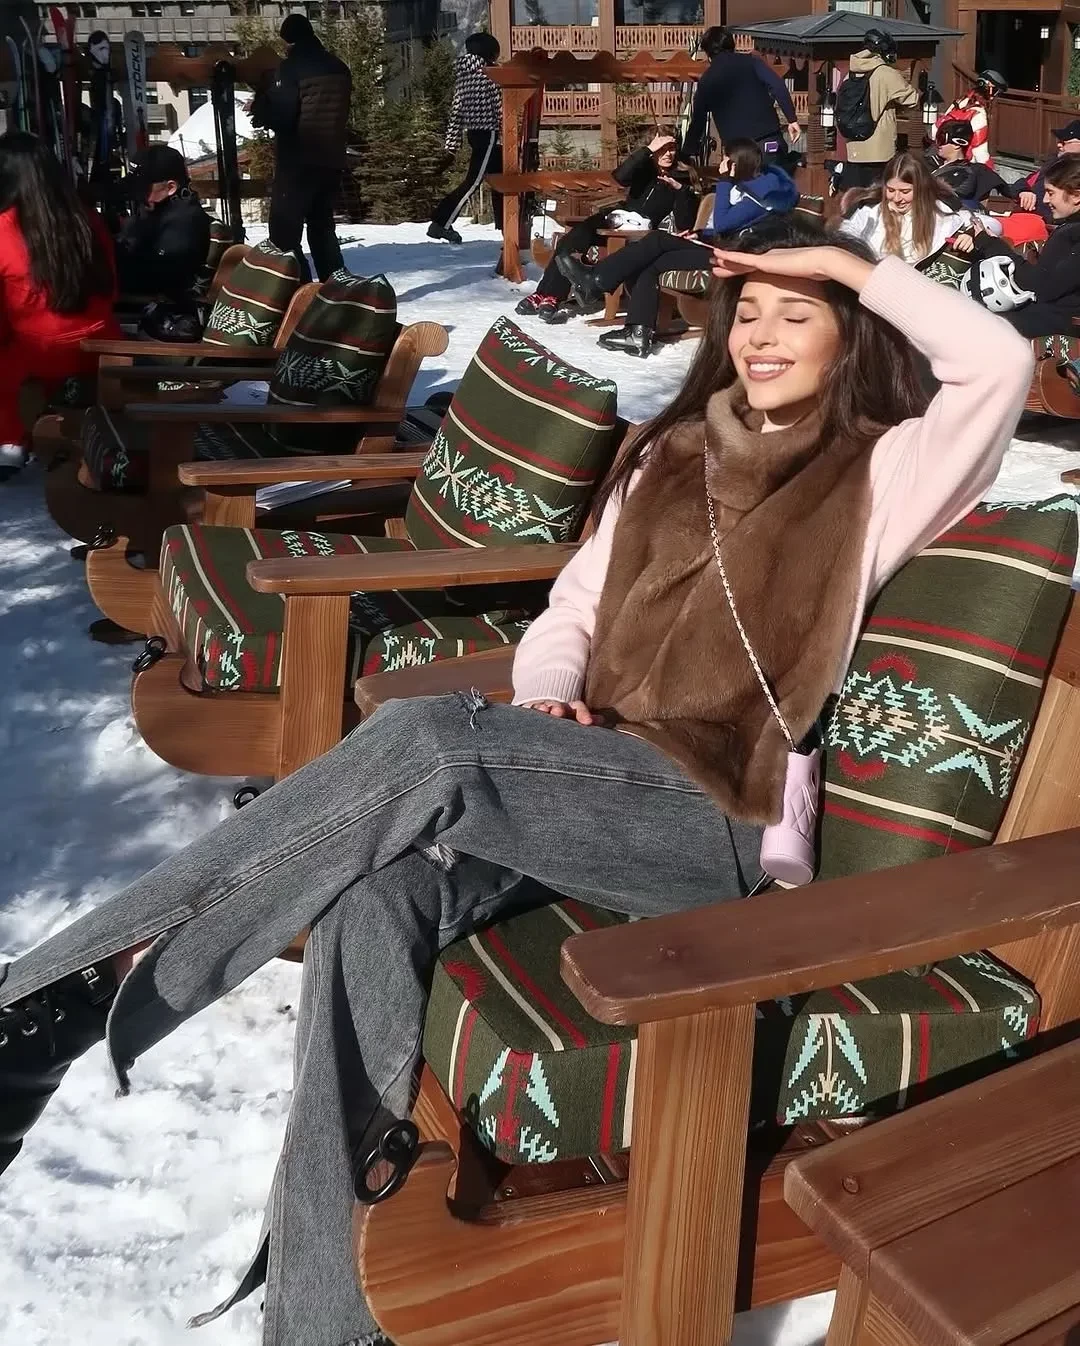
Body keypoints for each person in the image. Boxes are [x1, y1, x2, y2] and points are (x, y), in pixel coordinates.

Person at [0, 217, 1035, 1346]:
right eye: (749, 312)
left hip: (715, 815)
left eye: (800, 313)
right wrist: (546, 696)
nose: (764, 334)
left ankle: (88, 980)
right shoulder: (670, 456)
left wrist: (846, 263)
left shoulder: (886, 468)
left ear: (852, 336)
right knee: (372, 901)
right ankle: (324, 1324)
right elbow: (572, 612)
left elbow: (1000, 363)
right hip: (584, 779)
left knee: (434, 741)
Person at [557, 138, 798, 356]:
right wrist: (699, 233)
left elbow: (725, 223)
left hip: (735, 259)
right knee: (652, 261)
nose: (722, 163)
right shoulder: (750, 187)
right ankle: (637, 332)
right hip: (723, 248)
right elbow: (731, 227)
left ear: (736, 164)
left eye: (726, 159)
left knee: (657, 240)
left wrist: (724, 181)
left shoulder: (760, 195)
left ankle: (595, 282)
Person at [0, 131, 119, 478]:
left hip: (34, 353)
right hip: (99, 347)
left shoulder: (4, 229)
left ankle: (10, 440)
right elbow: (111, 288)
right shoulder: (87, 220)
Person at [516, 129, 699, 322]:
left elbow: (685, 222)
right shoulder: (644, 168)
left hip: (640, 231)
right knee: (571, 240)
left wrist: (680, 190)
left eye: (672, 148)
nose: (668, 153)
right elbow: (620, 176)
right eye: (662, 148)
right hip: (615, 218)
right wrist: (648, 150)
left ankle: (550, 296)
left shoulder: (682, 177)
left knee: (573, 241)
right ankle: (546, 295)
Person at [251, 13, 352, 282]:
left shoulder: (291, 68)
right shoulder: (339, 66)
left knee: (284, 231)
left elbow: (284, 115)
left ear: (288, 40)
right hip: (331, 159)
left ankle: (297, 289)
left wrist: (261, 108)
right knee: (322, 227)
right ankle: (335, 288)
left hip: (298, 160)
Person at [953, 153, 1080, 337]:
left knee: (973, 325)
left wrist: (989, 244)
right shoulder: (1070, 229)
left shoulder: (1073, 235)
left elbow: (1038, 285)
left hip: (1063, 324)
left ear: (1076, 196)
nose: (1045, 200)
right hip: (1055, 316)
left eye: (1051, 193)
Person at [837, 150, 996, 264]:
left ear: (920, 189)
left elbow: (992, 223)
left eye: (905, 192)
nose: (897, 198)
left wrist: (971, 233)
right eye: (891, 190)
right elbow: (843, 236)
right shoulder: (869, 211)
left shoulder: (941, 208)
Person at [683, 25, 802, 165]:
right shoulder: (752, 62)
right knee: (774, 177)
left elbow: (698, 119)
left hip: (738, 149)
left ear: (708, 53)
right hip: (768, 139)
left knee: (744, 179)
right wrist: (792, 119)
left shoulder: (707, 80)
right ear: (732, 45)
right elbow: (777, 85)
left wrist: (687, 151)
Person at [428, 32, 503, 246]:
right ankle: (441, 221)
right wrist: (509, 132)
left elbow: (456, 110)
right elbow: (501, 108)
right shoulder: (490, 75)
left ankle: (507, 228)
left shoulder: (464, 75)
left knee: (501, 181)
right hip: (490, 134)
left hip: (474, 133)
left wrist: (451, 145)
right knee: (474, 181)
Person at [114, 144, 212, 298]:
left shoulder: (183, 223)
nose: (136, 195)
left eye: (142, 189)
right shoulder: (156, 215)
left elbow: (161, 279)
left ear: (170, 188)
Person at [835, 28, 920, 192]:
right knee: (879, 198)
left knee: (858, 198)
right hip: (879, 150)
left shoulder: (851, 74)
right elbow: (912, 99)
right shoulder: (885, 73)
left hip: (854, 148)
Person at [935, 69, 1007, 167]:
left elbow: (936, 129)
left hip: (941, 155)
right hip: (963, 164)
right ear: (990, 89)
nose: (994, 97)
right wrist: (990, 171)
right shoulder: (978, 113)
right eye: (996, 92)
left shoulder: (959, 102)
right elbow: (980, 153)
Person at [927, 122, 1010, 206]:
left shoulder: (970, 172)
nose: (938, 145)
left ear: (957, 144)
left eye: (942, 140)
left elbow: (955, 198)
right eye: (937, 139)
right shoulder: (929, 163)